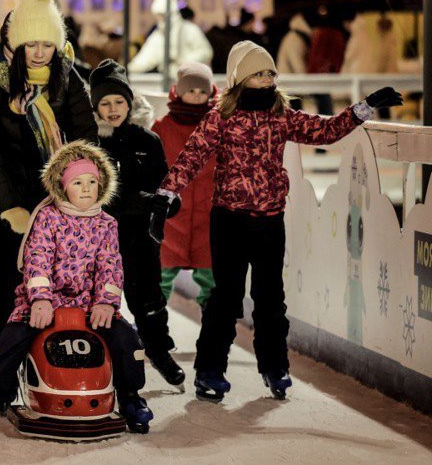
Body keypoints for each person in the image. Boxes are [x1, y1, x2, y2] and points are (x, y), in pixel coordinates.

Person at [154, 41, 404, 401]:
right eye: (260, 73)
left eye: (271, 72)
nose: (269, 77)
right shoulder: (221, 117)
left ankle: (275, 367)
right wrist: (166, 194)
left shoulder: (281, 114)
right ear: (242, 77)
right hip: (229, 220)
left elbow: (325, 132)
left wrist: (365, 107)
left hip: (270, 221)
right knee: (226, 298)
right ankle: (209, 370)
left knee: (271, 299)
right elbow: (192, 156)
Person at [0, 141, 151, 435]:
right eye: (77, 182)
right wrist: (40, 300)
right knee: (13, 338)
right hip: (45, 302)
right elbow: (38, 259)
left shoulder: (107, 224)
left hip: (89, 304)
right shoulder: (48, 217)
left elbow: (111, 266)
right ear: (62, 186)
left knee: (127, 339)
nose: (86, 189)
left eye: (92, 182)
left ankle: (130, 398)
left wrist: (106, 303)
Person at [0, 0, 96, 337]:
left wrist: (83, 187)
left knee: (54, 285)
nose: (40, 53)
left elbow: (85, 139)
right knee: (6, 289)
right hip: (0, 200)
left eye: (47, 44)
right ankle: (4, 364)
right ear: (16, 43)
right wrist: (8, 206)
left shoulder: (67, 79)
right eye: (31, 44)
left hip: (51, 196)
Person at [90, 59, 185, 388]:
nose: (113, 109)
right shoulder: (91, 144)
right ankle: (99, 360)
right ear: (96, 108)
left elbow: (163, 183)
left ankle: (159, 351)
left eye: (119, 101)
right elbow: (100, 195)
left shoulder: (147, 140)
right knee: (102, 300)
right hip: (100, 239)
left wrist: (170, 202)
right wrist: (146, 201)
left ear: (129, 103)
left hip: (141, 237)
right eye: (105, 103)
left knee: (148, 299)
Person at [151, 63, 217, 308]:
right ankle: (153, 328)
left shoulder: (219, 125)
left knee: (211, 278)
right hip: (171, 215)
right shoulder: (163, 126)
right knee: (160, 276)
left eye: (203, 91)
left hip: (207, 213)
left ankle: (214, 330)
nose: (197, 95)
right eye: (191, 90)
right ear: (178, 91)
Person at [128, 0, 213, 75]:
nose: (160, 19)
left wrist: (182, 62)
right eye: (158, 15)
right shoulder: (158, 35)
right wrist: (128, 69)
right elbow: (145, 58)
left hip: (191, 81)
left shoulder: (189, 30)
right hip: (169, 80)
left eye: (162, 15)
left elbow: (206, 52)